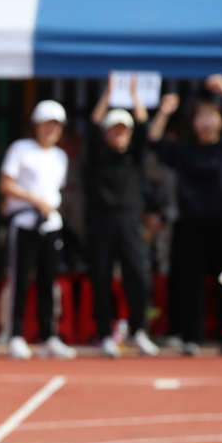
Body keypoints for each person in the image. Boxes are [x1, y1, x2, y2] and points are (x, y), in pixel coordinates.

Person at [148, 74, 222, 355]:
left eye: (211, 116)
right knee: (190, 282)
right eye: (201, 116)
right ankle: (190, 337)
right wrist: (164, 111)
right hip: (191, 221)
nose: (206, 122)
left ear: (220, 120)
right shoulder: (184, 149)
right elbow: (154, 139)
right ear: (193, 122)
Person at [87, 75, 160, 357]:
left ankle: (139, 331)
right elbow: (93, 126)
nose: (120, 134)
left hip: (130, 222)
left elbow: (143, 127)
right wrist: (108, 93)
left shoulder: (136, 156)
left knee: (138, 277)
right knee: (101, 278)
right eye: (115, 130)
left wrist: (133, 95)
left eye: (124, 131)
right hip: (101, 222)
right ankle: (105, 334)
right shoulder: (97, 156)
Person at [0, 99, 76, 360]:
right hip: (24, 222)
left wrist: (47, 206)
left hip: (51, 225)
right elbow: (6, 184)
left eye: (56, 126)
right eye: (46, 124)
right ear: (36, 125)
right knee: (21, 279)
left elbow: (57, 190)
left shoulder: (60, 156)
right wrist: (36, 201)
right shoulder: (21, 149)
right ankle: (17, 335)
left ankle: (48, 336)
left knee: (48, 281)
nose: (50, 130)